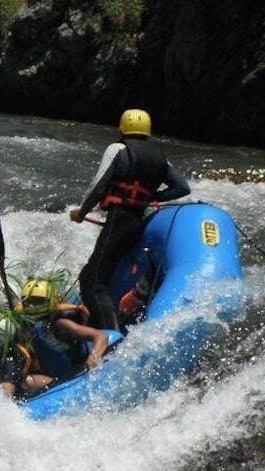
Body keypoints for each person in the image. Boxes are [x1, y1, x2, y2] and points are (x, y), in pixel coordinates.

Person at [69, 109, 191, 330]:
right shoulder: (159, 157)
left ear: (122, 129)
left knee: (93, 280)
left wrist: (82, 212)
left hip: (120, 220)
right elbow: (182, 188)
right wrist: (151, 197)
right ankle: (103, 325)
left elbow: (99, 184)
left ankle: (108, 334)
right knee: (102, 275)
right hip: (139, 222)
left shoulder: (118, 149)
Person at [19, 278, 111, 391]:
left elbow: (100, 336)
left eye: (38, 302)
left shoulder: (60, 323)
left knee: (29, 381)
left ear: (50, 303)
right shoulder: (27, 327)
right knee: (25, 382)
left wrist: (94, 357)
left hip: (76, 372)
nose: (33, 307)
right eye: (28, 302)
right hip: (55, 377)